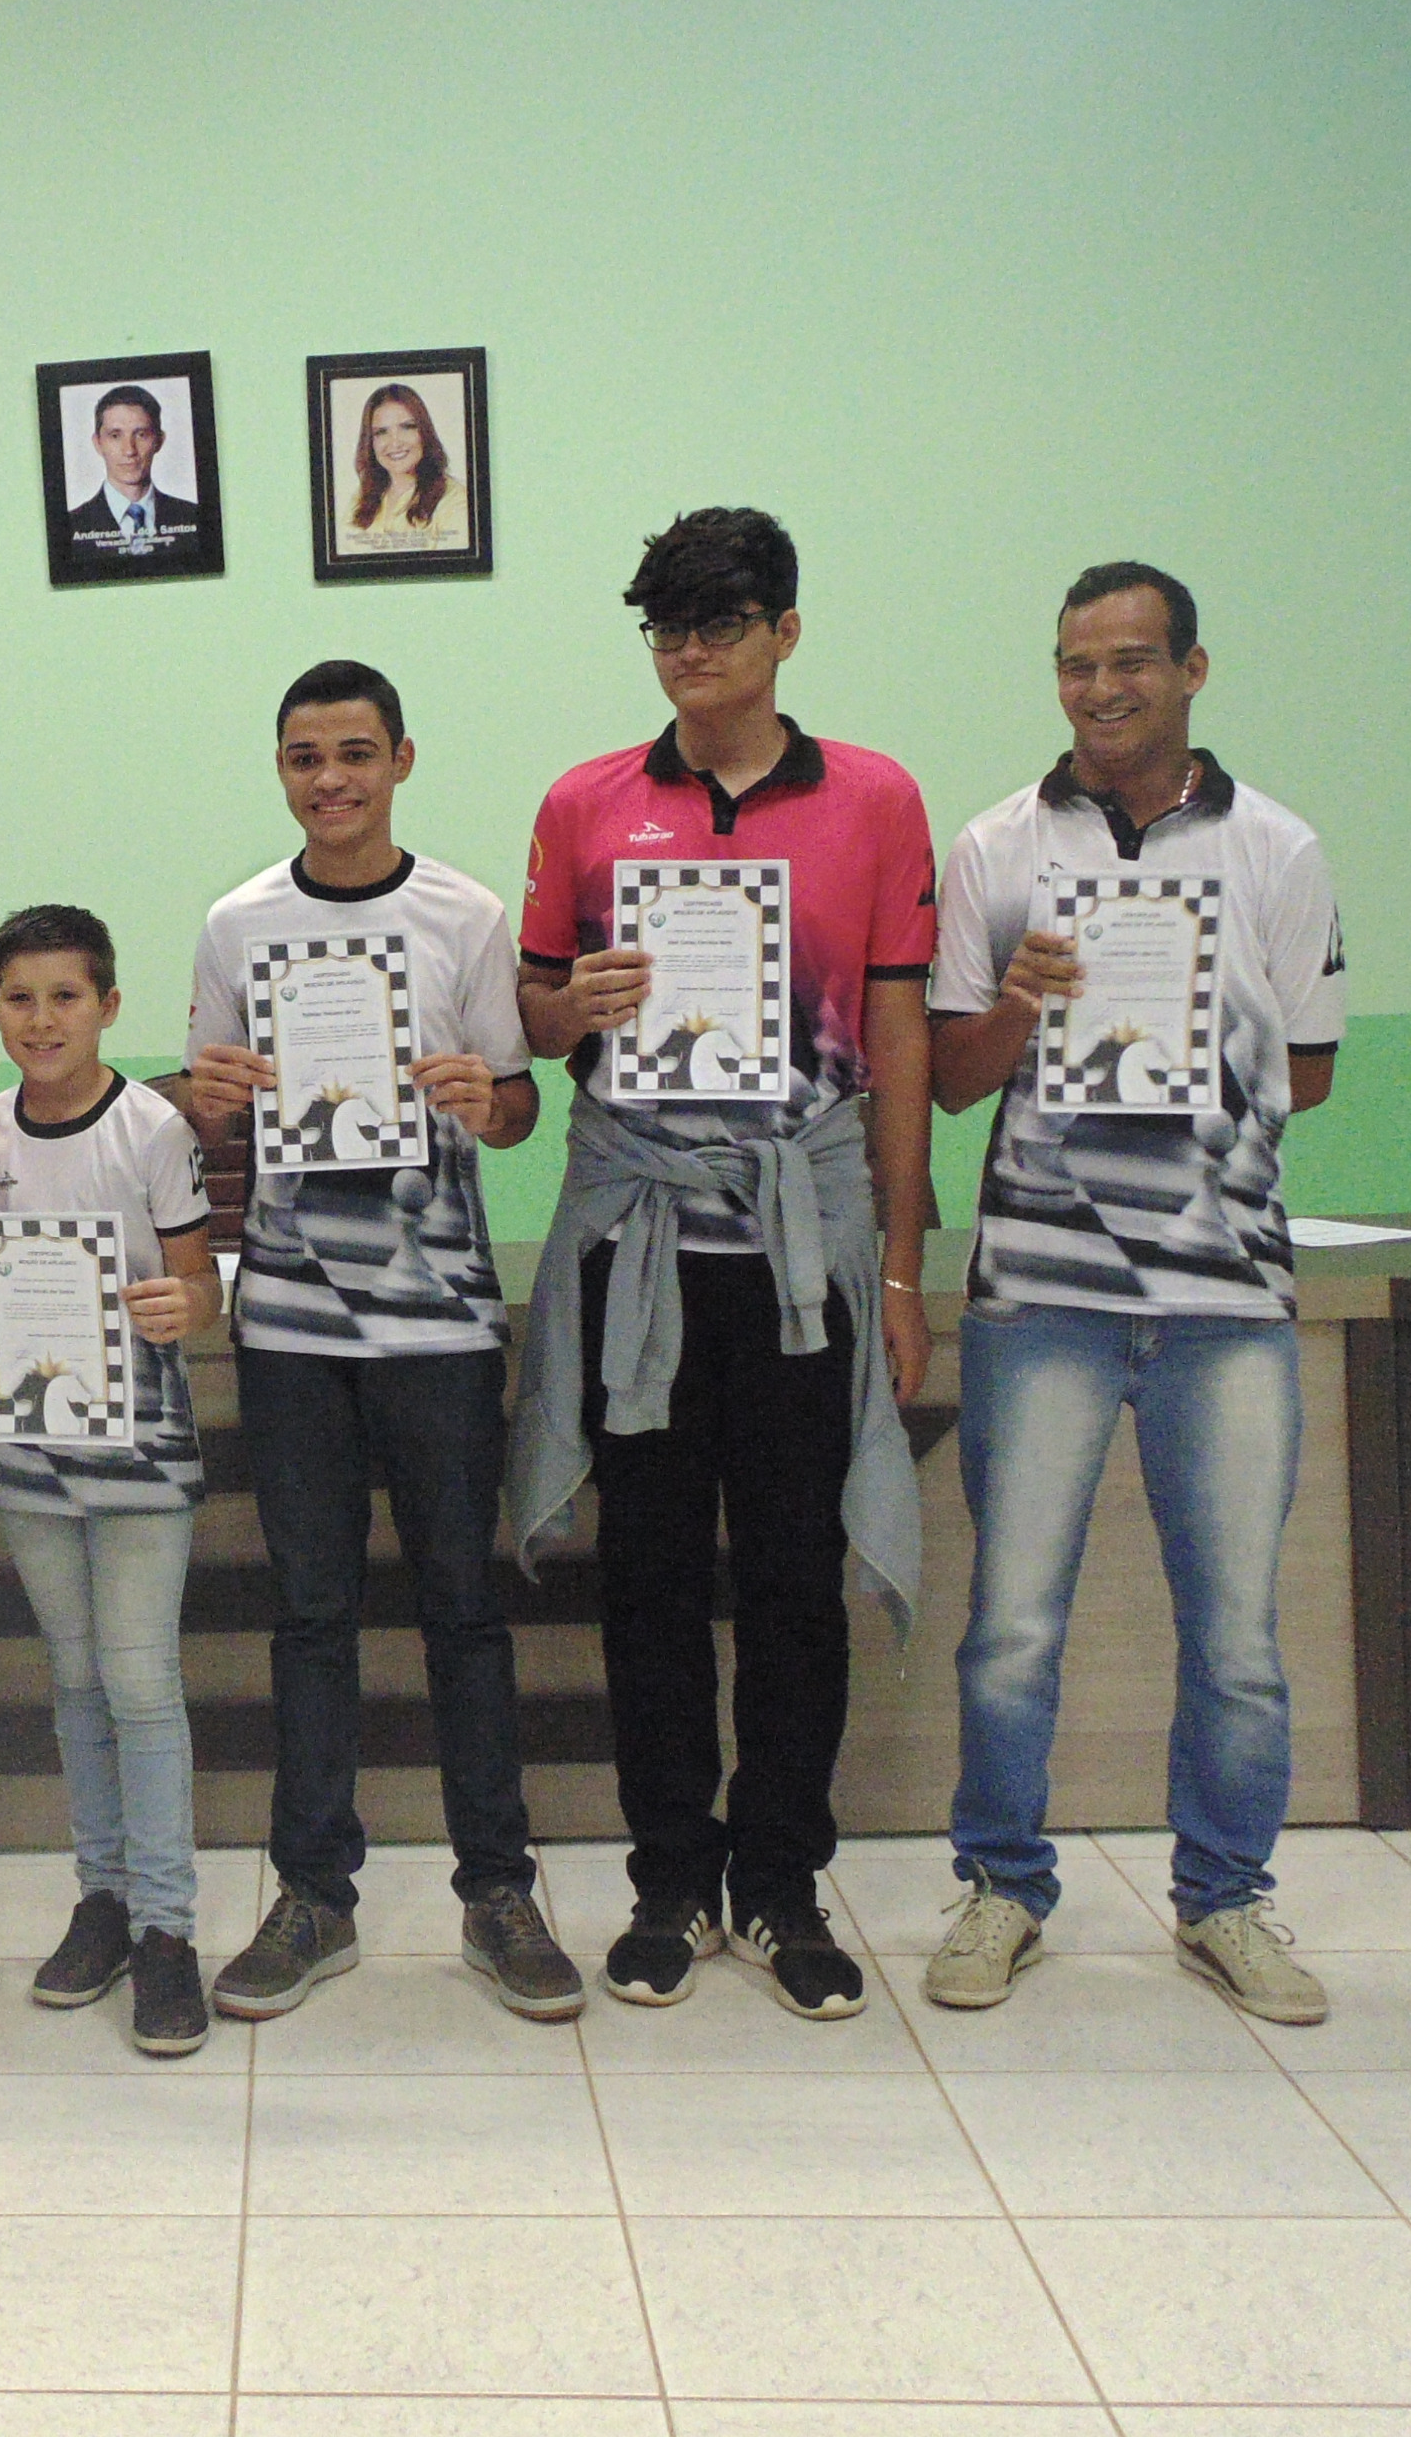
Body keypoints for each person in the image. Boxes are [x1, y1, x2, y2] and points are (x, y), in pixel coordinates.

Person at [504, 506, 935, 2025]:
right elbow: (531, 1020)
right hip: (643, 1252)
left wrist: (900, 1269)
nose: (689, 652)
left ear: (785, 633)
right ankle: (670, 1882)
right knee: (650, 1583)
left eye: (721, 624)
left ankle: (782, 1883)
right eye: (666, 629)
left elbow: (897, 1037)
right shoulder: (586, 803)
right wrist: (573, 1007)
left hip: (800, 1260)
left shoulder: (874, 798)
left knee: (795, 1581)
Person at [922, 560, 1344, 2027]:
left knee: (1235, 1637)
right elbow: (952, 1081)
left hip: (1224, 1294)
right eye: (1075, 664)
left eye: (1130, 662)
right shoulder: (994, 846)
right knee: (1011, 1627)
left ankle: (1225, 1899)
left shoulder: (1278, 848)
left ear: (1190, 670)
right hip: (1040, 1290)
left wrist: (1182, 1034)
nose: (1101, 690)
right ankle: (1000, 1887)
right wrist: (1024, 1006)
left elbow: (1311, 1073)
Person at [184, 661, 585, 2025]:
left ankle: (498, 1894)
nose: (331, 779)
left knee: (463, 1612)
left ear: (400, 759)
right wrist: (212, 1094)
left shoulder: (463, 915)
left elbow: (518, 1111)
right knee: (311, 1617)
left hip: (440, 1321)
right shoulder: (237, 924)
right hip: (291, 1324)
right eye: (305, 757)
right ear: (280, 771)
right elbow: (211, 1109)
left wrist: (485, 1100)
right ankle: (314, 1897)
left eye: (355, 753)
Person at [0, 904, 223, 2055]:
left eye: (64, 997)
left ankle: (166, 1929)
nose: (41, 1019)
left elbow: (200, 1284)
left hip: (140, 1443)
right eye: (19, 998)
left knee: (139, 1683)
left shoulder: (152, 1128)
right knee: (76, 1680)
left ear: (106, 1005)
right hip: (28, 1446)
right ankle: (100, 1900)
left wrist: (181, 1305)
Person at [57, 382, 210, 565]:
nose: (129, 450)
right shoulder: (69, 528)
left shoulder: (195, 519)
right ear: (98, 443)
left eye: (141, 435)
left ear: (159, 441)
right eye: (115, 435)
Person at [335, 381, 469, 556]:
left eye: (407, 427)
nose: (395, 443)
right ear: (370, 442)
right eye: (381, 432)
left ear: (424, 433)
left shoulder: (456, 502)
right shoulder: (362, 497)